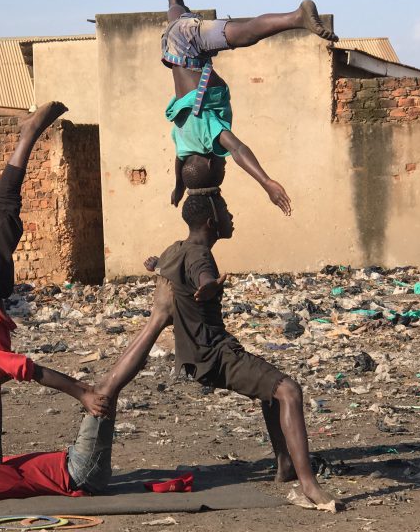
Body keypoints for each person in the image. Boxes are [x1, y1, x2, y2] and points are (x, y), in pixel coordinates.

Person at [146, 189, 341, 512]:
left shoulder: (174, 250)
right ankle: (309, 485)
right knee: (289, 391)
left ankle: (285, 464)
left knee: (270, 393)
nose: (231, 216)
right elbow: (203, 276)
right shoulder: (200, 255)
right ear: (212, 222)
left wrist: (154, 265)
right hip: (216, 354)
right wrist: (210, 284)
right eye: (226, 211)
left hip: (195, 354)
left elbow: (161, 267)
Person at [0, 278, 175, 499]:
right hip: (80, 472)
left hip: (80, 467)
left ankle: (161, 318)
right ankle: (161, 316)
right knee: (104, 393)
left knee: (107, 391)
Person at [0, 102, 107, 420]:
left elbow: (36, 372)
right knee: (7, 213)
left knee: (5, 206)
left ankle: (29, 133)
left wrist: (81, 392)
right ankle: (29, 133)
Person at [162, 0, 339, 216]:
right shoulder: (184, 141)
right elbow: (179, 162)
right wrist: (179, 186)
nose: (222, 160)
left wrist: (266, 182)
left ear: (209, 163)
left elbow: (237, 149)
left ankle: (298, 16)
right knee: (178, 20)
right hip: (174, 46)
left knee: (246, 34)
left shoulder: (206, 135)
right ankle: (175, 2)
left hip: (190, 45)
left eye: (220, 164)